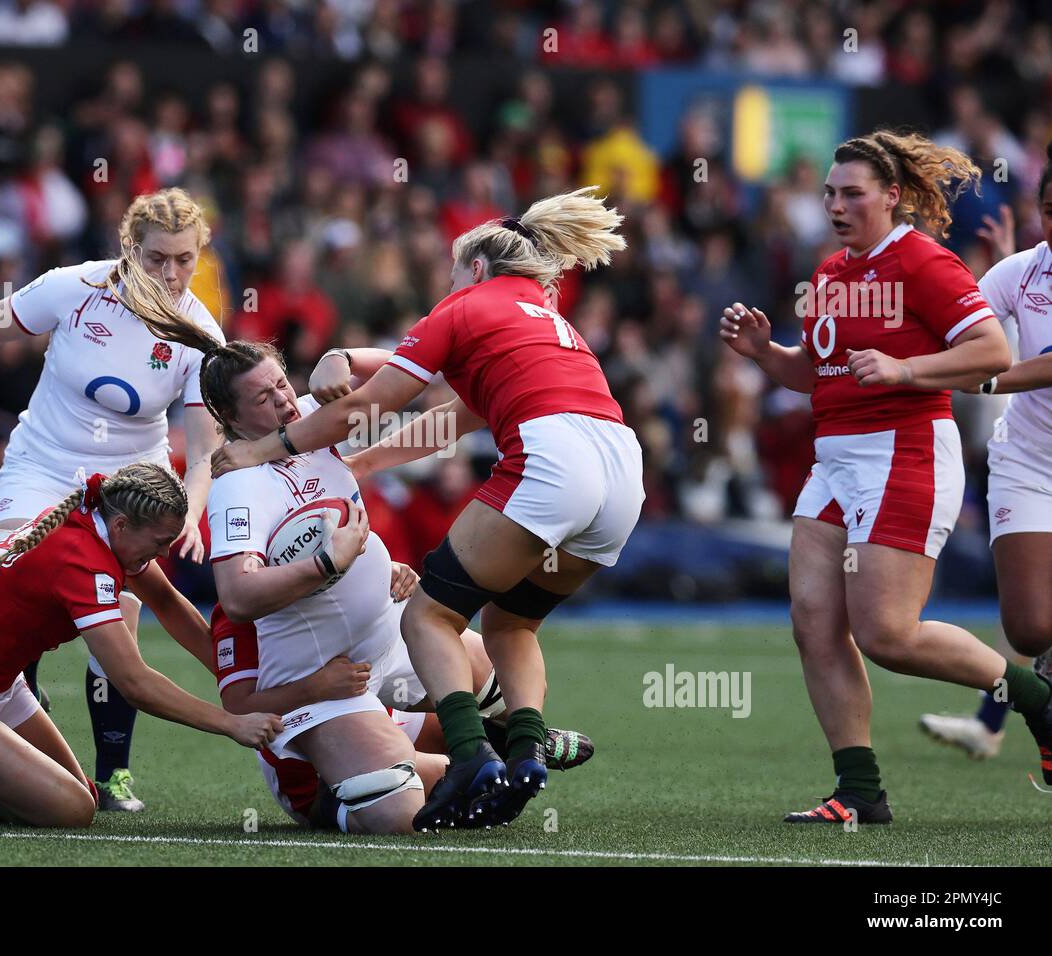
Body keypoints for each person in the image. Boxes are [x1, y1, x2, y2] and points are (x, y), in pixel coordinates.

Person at [211, 187, 642, 830]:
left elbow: (365, 406)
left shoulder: (464, 305)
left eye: (449, 274)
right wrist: (359, 442)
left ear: (473, 270)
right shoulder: (551, 318)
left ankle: (472, 757)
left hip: (554, 462)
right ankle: (524, 750)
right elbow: (450, 420)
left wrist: (265, 447)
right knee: (513, 625)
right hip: (621, 470)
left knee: (430, 617)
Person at [720, 129, 1052, 825]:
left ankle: (1033, 698)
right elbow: (818, 374)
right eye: (830, 194)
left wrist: (907, 370)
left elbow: (989, 349)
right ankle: (860, 792)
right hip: (836, 458)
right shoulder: (833, 271)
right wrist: (763, 352)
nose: (836, 205)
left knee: (887, 634)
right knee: (814, 623)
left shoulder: (924, 263)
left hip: (904, 453)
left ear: (892, 196)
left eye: (852, 193)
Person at [0, 187, 224, 811]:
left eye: (184, 260)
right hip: (45, 467)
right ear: (130, 248)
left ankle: (112, 778)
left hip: (131, 492)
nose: (170, 273)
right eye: (157, 257)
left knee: (121, 627)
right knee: (13, 588)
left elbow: (205, 450)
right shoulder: (77, 286)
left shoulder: (199, 333)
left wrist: (190, 512)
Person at [200, 341, 593, 831]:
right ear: (227, 415)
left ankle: (515, 736)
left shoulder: (308, 417)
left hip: (388, 633)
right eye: (262, 399)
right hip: (325, 683)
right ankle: (441, 771)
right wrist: (326, 564)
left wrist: (341, 357)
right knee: (397, 812)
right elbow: (237, 598)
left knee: (501, 663)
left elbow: (423, 376)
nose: (283, 401)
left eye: (281, 383)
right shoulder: (237, 484)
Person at [0, 462, 282, 828]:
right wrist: (232, 723)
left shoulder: (103, 526)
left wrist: (234, 677)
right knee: (73, 810)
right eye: (161, 542)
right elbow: (134, 684)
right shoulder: (82, 562)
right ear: (124, 524)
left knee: (85, 798)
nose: (164, 554)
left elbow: (166, 603)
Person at [211, 605, 594, 831]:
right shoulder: (244, 607)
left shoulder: (342, 562)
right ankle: (490, 773)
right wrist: (316, 687)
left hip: (367, 705)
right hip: (310, 749)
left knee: (492, 667)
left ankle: (517, 739)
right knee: (401, 804)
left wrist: (395, 573)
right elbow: (242, 706)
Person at [919, 149, 1052, 758]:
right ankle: (1004, 717)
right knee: (1028, 626)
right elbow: (964, 325)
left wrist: (993, 379)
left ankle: (993, 723)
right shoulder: (1023, 271)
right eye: (1049, 212)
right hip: (1027, 459)